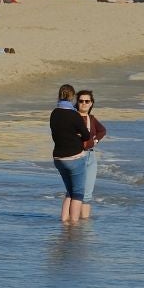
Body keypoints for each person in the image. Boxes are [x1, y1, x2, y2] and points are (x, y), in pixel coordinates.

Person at [49, 83, 89, 223]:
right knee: (78, 193)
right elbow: (87, 136)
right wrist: (77, 135)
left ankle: (64, 223)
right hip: (74, 157)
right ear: (72, 97)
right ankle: (73, 226)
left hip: (58, 158)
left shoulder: (54, 113)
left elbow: (57, 133)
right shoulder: (74, 115)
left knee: (69, 192)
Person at [76, 88, 105, 212]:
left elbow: (102, 131)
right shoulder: (72, 117)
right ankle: (69, 224)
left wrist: (95, 141)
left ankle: (84, 229)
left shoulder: (91, 119)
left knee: (87, 196)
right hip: (76, 156)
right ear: (77, 102)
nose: (84, 103)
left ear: (91, 103)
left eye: (87, 101)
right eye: (81, 101)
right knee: (75, 193)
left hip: (91, 157)